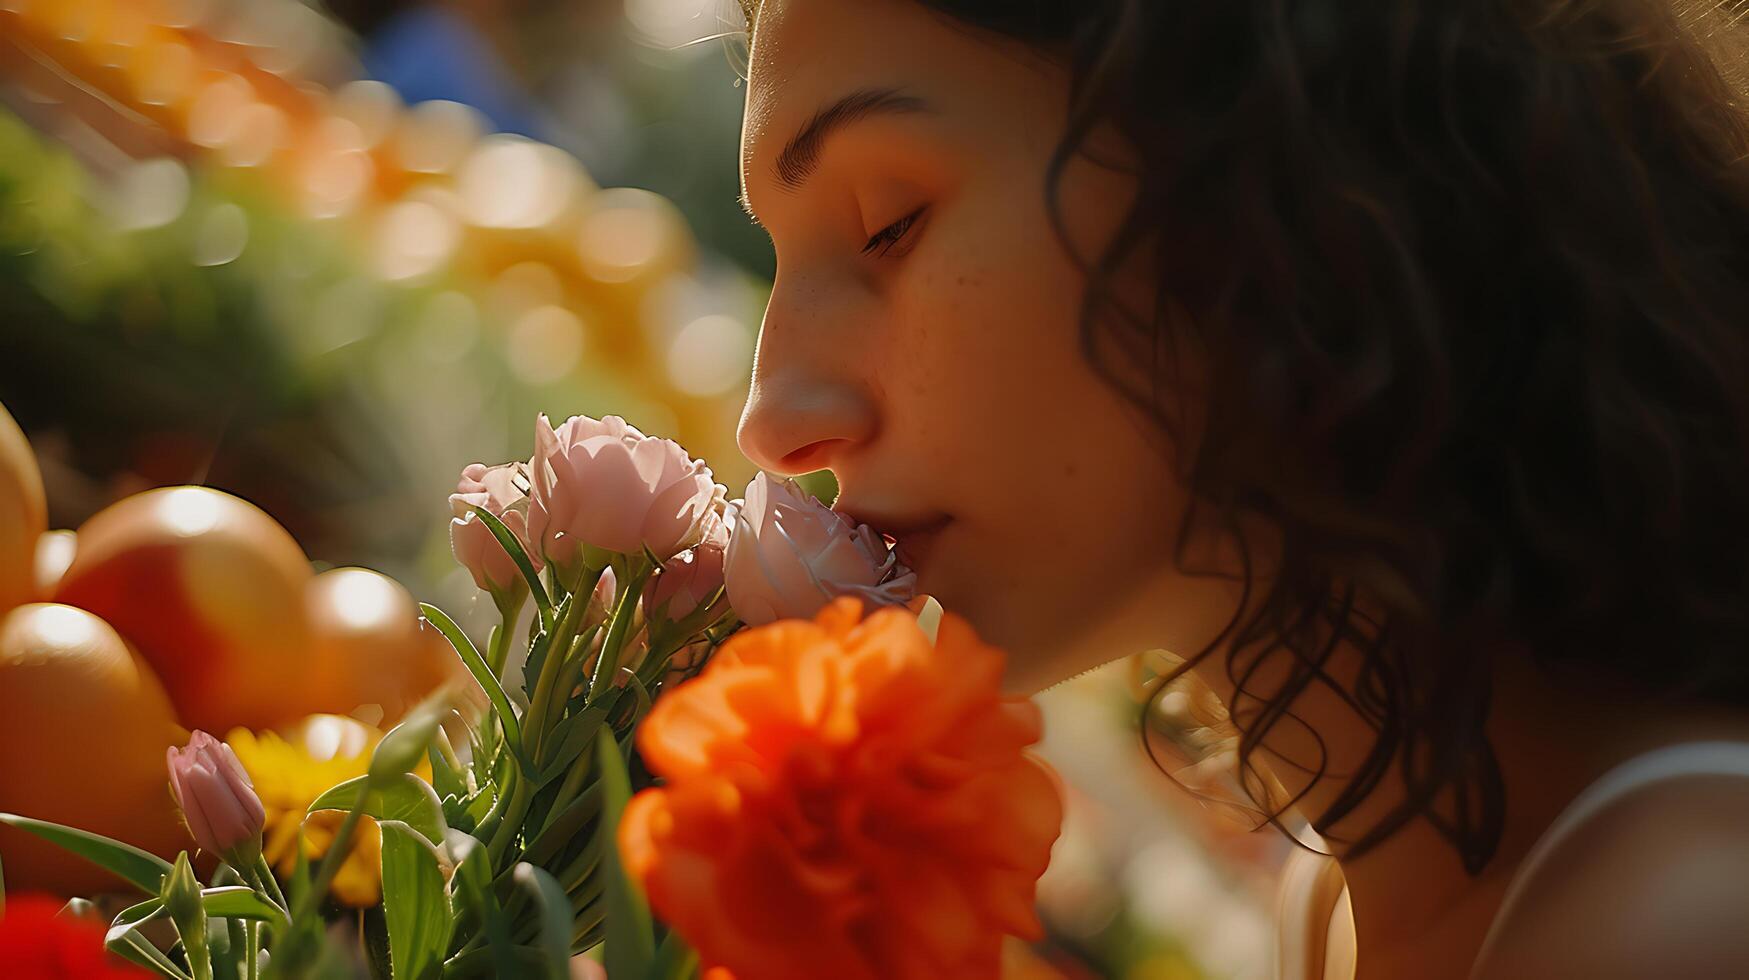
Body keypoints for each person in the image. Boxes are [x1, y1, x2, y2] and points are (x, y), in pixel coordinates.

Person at [729, 1, 1749, 977]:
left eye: (888, 225)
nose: (772, 418)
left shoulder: (1676, 926)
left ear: (1256, 131)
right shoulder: (1335, 897)